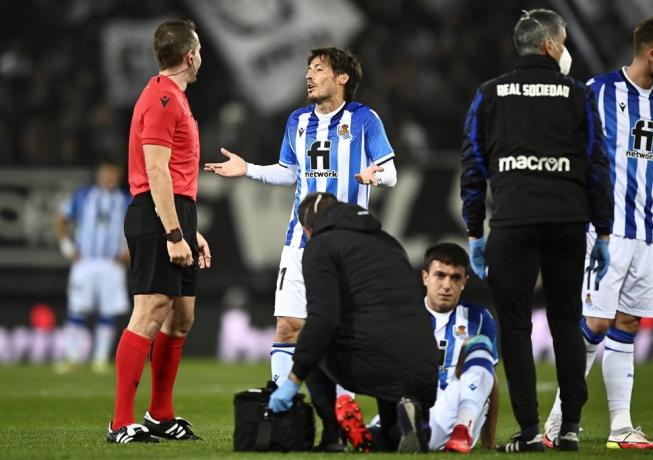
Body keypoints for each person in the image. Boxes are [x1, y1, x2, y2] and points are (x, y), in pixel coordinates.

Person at [204, 47, 397, 448]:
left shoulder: (363, 119)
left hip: (347, 245)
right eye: (308, 69)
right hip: (300, 242)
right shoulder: (298, 120)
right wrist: (249, 170)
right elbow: (289, 172)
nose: (309, 76)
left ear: (342, 78)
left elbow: (391, 171)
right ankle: (279, 412)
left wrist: (374, 176)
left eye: (319, 69)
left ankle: (344, 421)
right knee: (288, 327)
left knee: (340, 335)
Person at [460, 9, 613, 453]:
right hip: (568, 221)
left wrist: (475, 230)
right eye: (564, 41)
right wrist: (602, 231)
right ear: (550, 45)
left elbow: (473, 163)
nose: (566, 49)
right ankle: (569, 429)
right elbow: (596, 165)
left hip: (513, 222)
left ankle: (528, 431)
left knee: (514, 325)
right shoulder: (578, 94)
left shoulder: (490, 94)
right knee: (567, 321)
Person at [543, 17, 653, 450]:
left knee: (627, 323)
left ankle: (621, 428)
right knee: (596, 321)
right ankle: (555, 423)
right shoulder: (599, 91)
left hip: (649, 235)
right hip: (604, 232)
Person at [267, 192, 438, 453]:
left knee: (313, 341)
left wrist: (294, 378)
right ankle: (406, 421)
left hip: (375, 359)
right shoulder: (389, 242)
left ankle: (332, 437)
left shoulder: (320, 246)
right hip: (424, 365)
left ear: (306, 229)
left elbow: (324, 319)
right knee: (389, 442)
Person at [107, 19, 212, 444]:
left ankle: (159, 414)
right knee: (151, 310)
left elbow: (176, 176)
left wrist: (190, 228)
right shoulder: (163, 99)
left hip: (176, 212)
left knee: (182, 316)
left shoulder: (174, 99)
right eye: (200, 49)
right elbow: (155, 170)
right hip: (155, 214)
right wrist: (173, 233)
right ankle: (119, 422)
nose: (201, 55)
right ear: (190, 56)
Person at [421, 243, 499, 454]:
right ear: (425, 277)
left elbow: (490, 380)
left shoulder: (479, 318)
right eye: (440, 275)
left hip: (459, 405)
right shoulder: (407, 316)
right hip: (417, 404)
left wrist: (489, 442)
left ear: (464, 282)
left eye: (455, 278)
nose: (447, 285)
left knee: (479, 343)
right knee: (377, 438)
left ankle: (462, 429)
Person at [54, 159, 130, 374]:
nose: (109, 177)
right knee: (77, 309)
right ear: (99, 174)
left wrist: (129, 252)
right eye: (106, 173)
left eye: (113, 173)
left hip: (111, 264)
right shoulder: (84, 196)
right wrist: (66, 245)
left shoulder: (126, 199)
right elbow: (61, 218)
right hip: (85, 262)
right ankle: (71, 357)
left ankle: (100, 359)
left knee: (108, 312)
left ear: (119, 175)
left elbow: (138, 228)